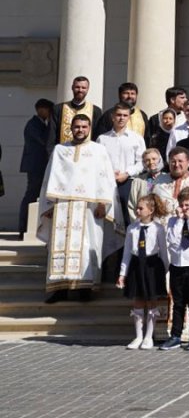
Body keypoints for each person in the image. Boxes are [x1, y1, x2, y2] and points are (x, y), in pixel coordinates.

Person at [38, 114, 116, 303]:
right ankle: (60, 289)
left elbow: (105, 178)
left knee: (88, 246)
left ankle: (85, 288)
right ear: (70, 128)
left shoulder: (98, 150)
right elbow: (49, 178)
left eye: (84, 127)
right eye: (77, 127)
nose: (80, 130)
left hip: (88, 207)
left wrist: (103, 204)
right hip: (63, 207)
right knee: (60, 247)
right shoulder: (60, 150)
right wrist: (48, 205)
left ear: (89, 129)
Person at [117, 194, 169, 350]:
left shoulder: (158, 228)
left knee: (152, 300)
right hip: (136, 266)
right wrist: (122, 274)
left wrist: (166, 272)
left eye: (141, 208)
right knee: (138, 300)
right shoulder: (132, 228)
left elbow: (164, 252)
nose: (137, 211)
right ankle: (138, 335)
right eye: (137, 208)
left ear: (151, 210)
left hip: (152, 266)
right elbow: (127, 252)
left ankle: (149, 336)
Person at [161, 186, 189, 351]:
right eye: (182, 205)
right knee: (178, 303)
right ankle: (175, 336)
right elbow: (173, 241)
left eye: (187, 205)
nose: (184, 208)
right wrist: (180, 220)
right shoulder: (173, 221)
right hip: (177, 265)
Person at [18, 98, 54, 236]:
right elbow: (45, 141)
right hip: (35, 165)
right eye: (48, 110)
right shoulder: (33, 125)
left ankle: (28, 226)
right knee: (31, 195)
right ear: (40, 109)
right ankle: (23, 227)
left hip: (38, 165)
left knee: (34, 195)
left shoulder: (39, 124)